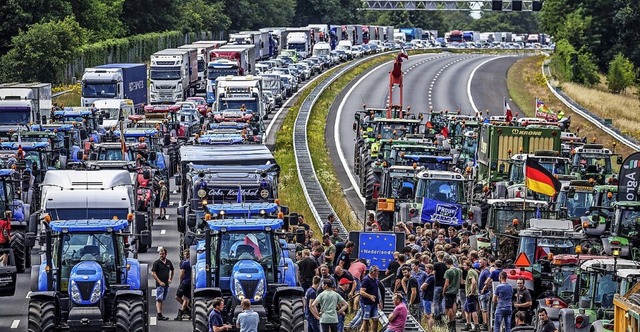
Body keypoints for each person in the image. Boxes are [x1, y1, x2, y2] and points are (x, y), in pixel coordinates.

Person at [152, 247, 174, 321]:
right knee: (159, 299)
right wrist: (159, 282)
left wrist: (170, 278)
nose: (161, 255)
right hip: (160, 284)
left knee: (162, 299)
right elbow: (153, 273)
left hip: (166, 284)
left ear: (166, 254)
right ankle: (159, 314)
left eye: (163, 254)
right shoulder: (156, 263)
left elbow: (172, 270)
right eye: (160, 254)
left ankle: (160, 314)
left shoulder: (168, 262)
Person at [442, 256, 462, 332]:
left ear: (447, 263)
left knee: (448, 307)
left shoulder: (448, 271)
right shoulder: (458, 270)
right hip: (455, 290)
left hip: (449, 291)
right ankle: (453, 321)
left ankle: (449, 321)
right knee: (454, 305)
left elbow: (446, 283)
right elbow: (460, 281)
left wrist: (444, 291)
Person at [360, 266, 382, 332]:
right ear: (373, 272)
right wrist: (370, 296)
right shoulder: (366, 280)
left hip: (374, 303)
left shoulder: (375, 280)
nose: (378, 273)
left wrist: (379, 301)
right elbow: (361, 292)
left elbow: (377, 291)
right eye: (377, 271)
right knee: (366, 320)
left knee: (376, 319)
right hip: (366, 303)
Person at [174, 249, 191, 320]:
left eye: (187, 254)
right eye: (185, 254)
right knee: (186, 298)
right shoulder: (192, 262)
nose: (186, 256)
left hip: (185, 282)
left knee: (177, 297)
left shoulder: (185, 263)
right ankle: (184, 312)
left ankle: (186, 310)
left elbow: (182, 274)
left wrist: (180, 281)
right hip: (190, 283)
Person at [463, 260, 479, 332]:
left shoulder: (470, 272)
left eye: (465, 265)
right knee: (466, 309)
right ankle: (468, 324)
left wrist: (471, 292)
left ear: (468, 265)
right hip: (469, 294)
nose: (463, 266)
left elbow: (473, 282)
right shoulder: (473, 271)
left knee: (472, 310)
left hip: (471, 294)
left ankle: (476, 326)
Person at [421, 264, 435, 331]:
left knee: (429, 315)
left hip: (428, 297)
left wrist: (423, 288)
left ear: (431, 269)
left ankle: (430, 330)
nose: (425, 270)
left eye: (427, 269)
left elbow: (422, 286)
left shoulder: (431, 277)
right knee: (427, 314)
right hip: (427, 297)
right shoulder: (430, 277)